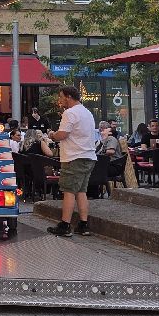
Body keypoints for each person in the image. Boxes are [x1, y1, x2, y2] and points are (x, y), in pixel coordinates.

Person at [47, 85, 97, 238]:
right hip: (89, 156)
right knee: (81, 191)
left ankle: (65, 225)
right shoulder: (87, 112)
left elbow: (62, 134)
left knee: (68, 191)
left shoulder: (70, 113)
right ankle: (83, 224)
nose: (60, 100)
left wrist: (52, 135)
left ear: (68, 97)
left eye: (61, 97)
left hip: (74, 157)